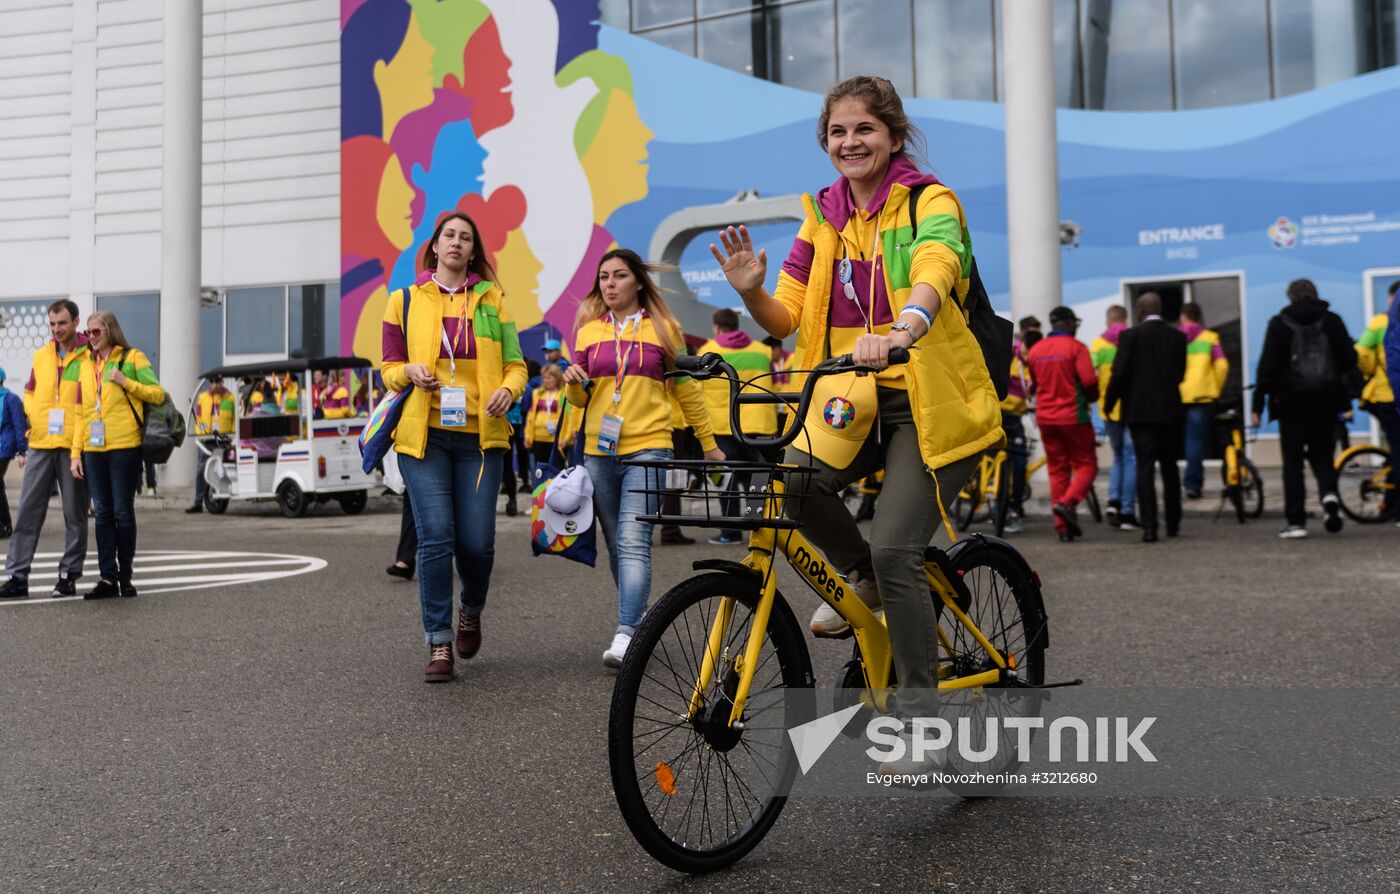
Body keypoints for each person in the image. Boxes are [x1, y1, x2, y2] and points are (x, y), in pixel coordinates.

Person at [710, 75, 1002, 763]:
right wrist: (753, 293)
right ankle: (865, 577)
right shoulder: (824, 215)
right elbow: (786, 313)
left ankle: (920, 713)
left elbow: (938, 261)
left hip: (933, 398)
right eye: (838, 132)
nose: (850, 142)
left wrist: (906, 325)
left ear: (893, 136)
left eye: (864, 129)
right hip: (851, 395)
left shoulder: (930, 200)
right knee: (791, 488)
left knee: (899, 547)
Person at [382, 211, 528, 682]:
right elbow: (388, 366)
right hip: (423, 435)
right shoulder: (403, 300)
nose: (457, 243)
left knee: (479, 545)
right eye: (450, 235)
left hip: (481, 437)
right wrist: (408, 372)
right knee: (436, 537)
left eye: (466, 238)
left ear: (473, 251)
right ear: (435, 246)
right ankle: (439, 643)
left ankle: (472, 608)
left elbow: (516, 365)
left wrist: (510, 389)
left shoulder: (493, 301)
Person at [563, 249, 723, 668]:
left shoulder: (665, 329)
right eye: (603, 277)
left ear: (638, 282)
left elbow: (686, 390)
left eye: (618, 276)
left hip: (651, 445)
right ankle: (637, 620)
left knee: (634, 541)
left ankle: (627, 631)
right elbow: (579, 399)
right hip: (600, 449)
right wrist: (573, 383)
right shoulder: (588, 331)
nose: (609, 284)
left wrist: (709, 443)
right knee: (619, 544)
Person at [1251, 279, 1358, 539]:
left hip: (1290, 405)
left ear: (1290, 297)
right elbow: (1348, 360)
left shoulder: (1279, 324)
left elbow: (1268, 368)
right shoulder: (1332, 321)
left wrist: (1258, 404)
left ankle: (1296, 521)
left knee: (1293, 462)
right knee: (1322, 456)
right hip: (1326, 402)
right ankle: (1329, 497)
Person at [0, 300, 92, 600]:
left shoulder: (88, 355)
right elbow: (29, 390)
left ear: (75, 321)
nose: (56, 329)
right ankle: (17, 576)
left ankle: (68, 575)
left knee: (74, 513)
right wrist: (34, 414)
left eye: (62, 323)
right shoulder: (41, 355)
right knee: (27, 511)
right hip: (40, 442)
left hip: (72, 445)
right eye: (52, 324)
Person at [71, 311, 165, 599]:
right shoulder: (84, 364)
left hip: (125, 446)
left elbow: (158, 394)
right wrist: (76, 452)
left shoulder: (132, 358)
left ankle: (126, 577)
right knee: (102, 514)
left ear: (110, 331)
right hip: (94, 449)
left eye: (96, 332)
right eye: (88, 333)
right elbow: (81, 413)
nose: (91, 338)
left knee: (123, 512)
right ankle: (107, 579)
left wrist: (126, 382)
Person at [1104, 292, 1187, 543]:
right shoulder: (1178, 337)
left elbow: (1119, 375)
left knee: (1145, 467)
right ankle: (1173, 523)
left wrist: (1110, 403)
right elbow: (1180, 374)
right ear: (1160, 309)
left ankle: (1150, 527)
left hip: (1140, 412)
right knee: (1170, 467)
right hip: (1170, 410)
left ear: (1140, 312)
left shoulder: (1130, 336)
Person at [697, 308, 777, 544]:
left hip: (723, 426)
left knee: (726, 479)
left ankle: (730, 532)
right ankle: (759, 529)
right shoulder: (762, 351)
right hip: (758, 424)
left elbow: (699, 391)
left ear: (716, 328)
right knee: (757, 479)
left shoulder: (707, 352)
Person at [1025, 306, 1099, 542]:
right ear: (1068, 323)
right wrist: (1093, 397)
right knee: (1087, 466)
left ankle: (1063, 528)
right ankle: (1067, 504)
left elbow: (1034, 385)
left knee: (1057, 470)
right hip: (1073, 416)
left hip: (1046, 418)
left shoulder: (1036, 350)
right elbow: (1089, 382)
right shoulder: (1077, 348)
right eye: (1075, 322)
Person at [1090, 305, 1138, 529]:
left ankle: (1112, 501)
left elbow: (1089, 377)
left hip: (1108, 409)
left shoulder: (1098, 345)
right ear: (1125, 319)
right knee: (1130, 458)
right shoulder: (1134, 340)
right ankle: (1127, 510)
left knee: (1118, 456)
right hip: (1131, 408)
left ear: (1108, 321)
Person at [1179, 302, 1229, 500]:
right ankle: (1193, 484)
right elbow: (1222, 366)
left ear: (1183, 317)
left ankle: (1178, 484)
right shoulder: (1210, 338)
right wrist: (1214, 388)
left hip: (1178, 395)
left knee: (1173, 441)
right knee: (1195, 440)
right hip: (1201, 396)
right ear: (1198, 317)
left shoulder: (1176, 338)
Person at [1355, 284, 1397, 516]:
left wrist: (1371, 371)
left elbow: (1360, 351)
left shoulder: (1380, 322)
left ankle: (1389, 503)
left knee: (1397, 448)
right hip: (1390, 396)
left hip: (1383, 395)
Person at [999, 319, 1035, 534]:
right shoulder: (1009, 355)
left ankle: (1013, 509)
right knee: (987, 461)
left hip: (1017, 417)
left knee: (1020, 463)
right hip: (998, 415)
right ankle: (987, 500)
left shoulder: (1034, 362)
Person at [186, 381, 235, 513]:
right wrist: (202, 432)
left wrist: (233, 435)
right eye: (212, 382)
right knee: (201, 470)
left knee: (223, 470)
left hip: (224, 439)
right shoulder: (203, 397)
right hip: (206, 439)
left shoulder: (230, 398)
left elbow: (234, 419)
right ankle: (198, 502)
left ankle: (222, 497)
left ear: (222, 382)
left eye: (217, 382)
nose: (214, 385)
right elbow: (200, 417)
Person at [523, 362, 574, 465]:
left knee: (555, 471)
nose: (546, 381)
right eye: (544, 378)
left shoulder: (564, 395)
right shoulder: (537, 393)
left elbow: (570, 417)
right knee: (540, 471)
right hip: (538, 438)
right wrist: (528, 436)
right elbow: (530, 416)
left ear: (557, 378)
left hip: (556, 440)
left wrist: (567, 438)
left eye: (549, 378)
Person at [0, 368, 28, 538]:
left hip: (5, 447)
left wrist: (22, 451)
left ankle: (6, 525)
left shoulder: (11, 399)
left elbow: (20, 425)